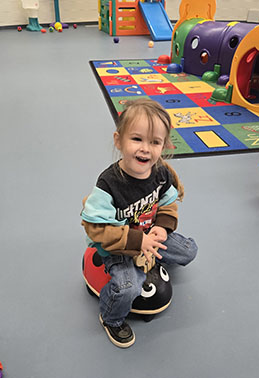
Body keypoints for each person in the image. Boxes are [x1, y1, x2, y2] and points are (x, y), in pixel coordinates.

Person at [81, 98, 197, 348]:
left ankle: (154, 257)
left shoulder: (161, 173)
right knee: (128, 287)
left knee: (189, 251)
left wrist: (162, 228)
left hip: (150, 234)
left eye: (154, 142)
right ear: (118, 140)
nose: (146, 149)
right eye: (137, 139)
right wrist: (138, 241)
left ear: (164, 145)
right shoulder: (108, 184)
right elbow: (97, 229)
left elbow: (168, 202)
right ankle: (111, 318)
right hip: (119, 247)